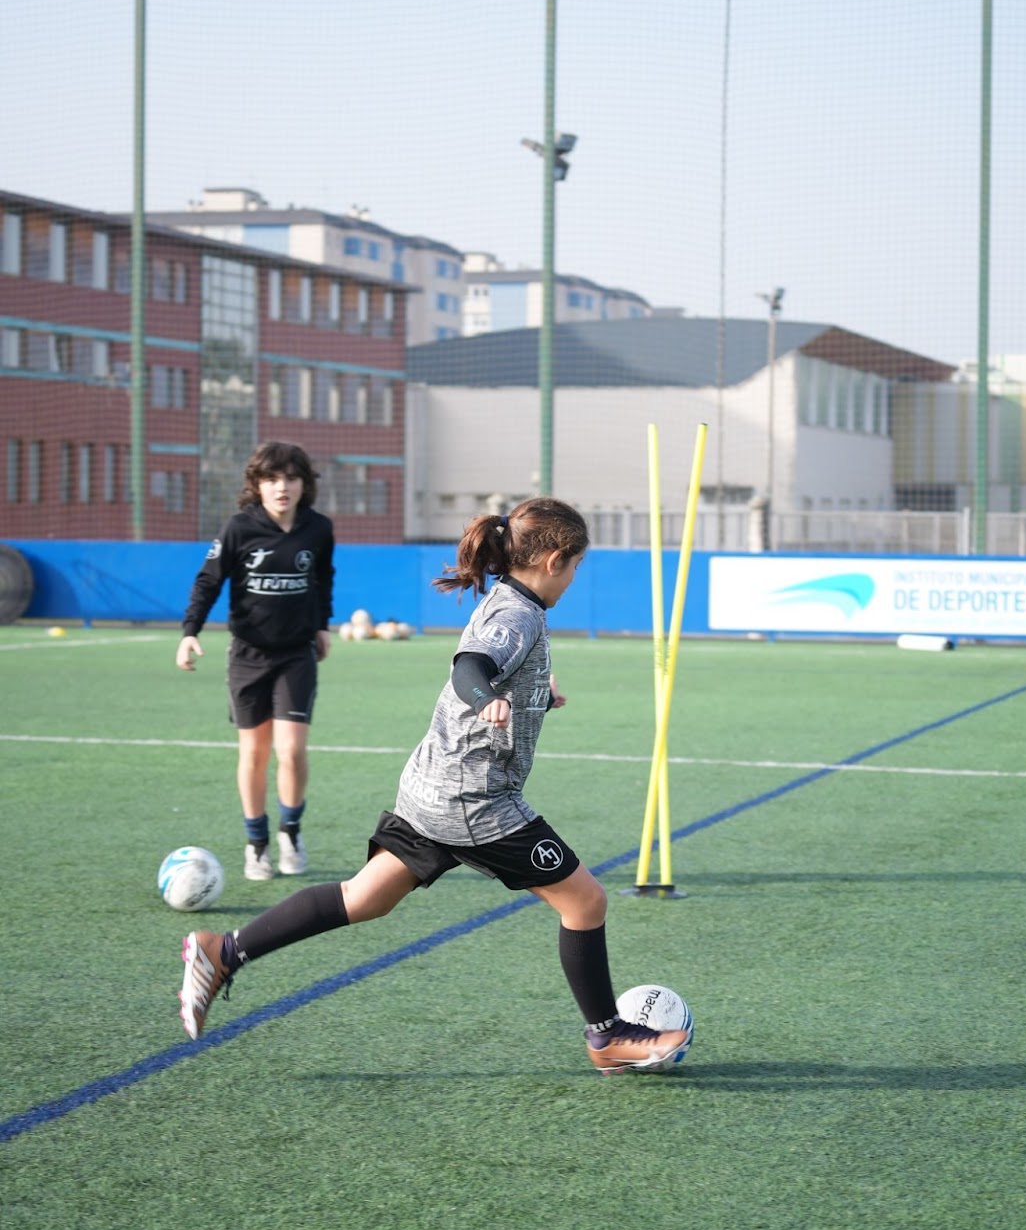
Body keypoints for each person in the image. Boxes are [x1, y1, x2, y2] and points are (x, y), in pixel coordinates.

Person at [178, 496, 692, 1075]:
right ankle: (608, 1037)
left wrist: (530, 697)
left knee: (363, 898)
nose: (573, 579)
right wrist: (490, 697)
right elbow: (470, 668)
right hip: (475, 801)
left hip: (430, 786)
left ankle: (224, 950)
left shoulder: (509, 598)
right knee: (585, 901)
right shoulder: (516, 614)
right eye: (574, 567)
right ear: (553, 561)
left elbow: (494, 670)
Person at [176, 441, 335, 881]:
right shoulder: (239, 528)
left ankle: (290, 832)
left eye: (290, 478)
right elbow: (208, 581)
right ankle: (257, 844)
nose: (281, 487)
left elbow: (323, 578)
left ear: (304, 484)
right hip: (247, 654)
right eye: (271, 479)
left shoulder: (318, 529)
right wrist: (189, 633)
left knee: (292, 749)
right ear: (257, 485)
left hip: (296, 654)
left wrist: (322, 623)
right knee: (254, 752)